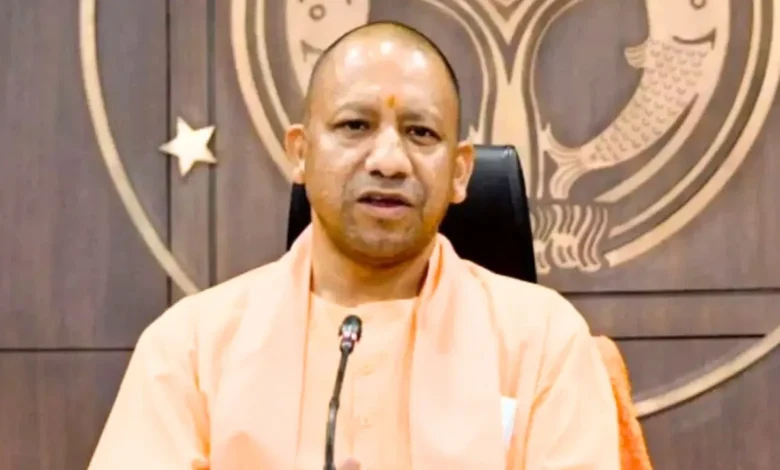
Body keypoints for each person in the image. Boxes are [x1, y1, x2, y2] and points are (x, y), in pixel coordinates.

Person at [88, 21, 620, 469]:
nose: (388, 161)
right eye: (355, 125)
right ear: (300, 153)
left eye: (420, 133)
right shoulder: (191, 348)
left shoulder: (542, 341)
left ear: (460, 172)